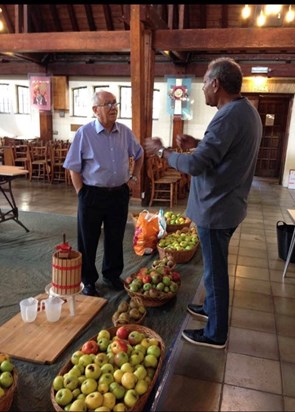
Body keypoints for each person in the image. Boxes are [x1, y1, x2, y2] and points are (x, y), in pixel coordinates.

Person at [144, 57, 262, 349]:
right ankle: (210, 308)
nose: (204, 89)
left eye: (205, 83)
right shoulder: (246, 111)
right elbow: (223, 150)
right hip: (230, 204)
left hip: (217, 209)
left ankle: (215, 333)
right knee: (214, 267)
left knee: (215, 271)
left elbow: (196, 164)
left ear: (216, 84)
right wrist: (196, 139)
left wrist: (163, 152)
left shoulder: (227, 116)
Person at [64, 90, 144, 296]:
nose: (113, 107)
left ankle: (111, 274)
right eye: (107, 104)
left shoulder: (125, 132)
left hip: (119, 194)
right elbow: (73, 166)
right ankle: (88, 280)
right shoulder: (84, 133)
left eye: (115, 103)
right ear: (95, 110)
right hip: (92, 194)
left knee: (115, 237)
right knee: (88, 239)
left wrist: (133, 178)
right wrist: (81, 192)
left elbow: (139, 154)